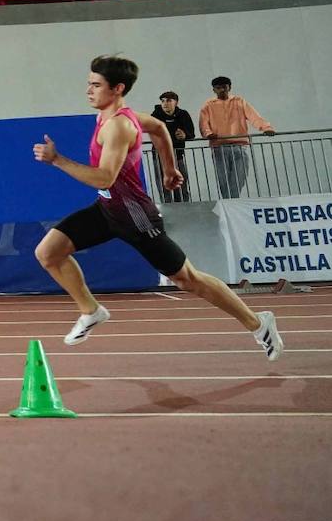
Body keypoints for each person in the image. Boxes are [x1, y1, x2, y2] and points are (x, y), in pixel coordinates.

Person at [32, 55, 282, 360]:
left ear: (117, 88)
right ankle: (91, 310)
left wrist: (57, 160)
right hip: (108, 209)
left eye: (96, 85)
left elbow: (105, 177)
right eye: (89, 83)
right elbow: (160, 129)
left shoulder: (119, 126)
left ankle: (259, 324)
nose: (89, 90)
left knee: (188, 279)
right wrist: (169, 168)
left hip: (136, 217)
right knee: (48, 253)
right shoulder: (116, 117)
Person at [200, 76, 274, 199]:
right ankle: (231, 203)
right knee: (223, 178)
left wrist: (266, 128)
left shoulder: (239, 101)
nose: (222, 90)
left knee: (240, 176)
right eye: (218, 88)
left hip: (239, 146)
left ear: (229, 87)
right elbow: (203, 123)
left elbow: (254, 117)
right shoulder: (208, 105)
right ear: (214, 90)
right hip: (219, 147)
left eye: (224, 87)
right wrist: (208, 134)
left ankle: (230, 202)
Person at [151, 91, 193, 203]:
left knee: (181, 184)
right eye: (163, 101)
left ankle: (184, 207)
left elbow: (191, 134)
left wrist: (185, 135)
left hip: (178, 156)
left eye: (169, 100)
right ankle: (167, 209)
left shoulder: (183, 115)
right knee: (164, 185)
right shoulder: (155, 115)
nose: (165, 103)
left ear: (176, 102)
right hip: (160, 157)